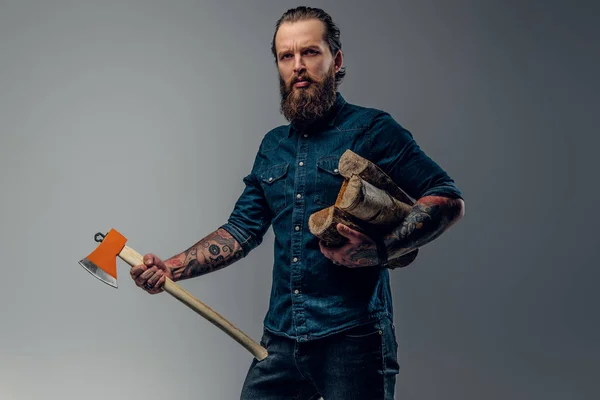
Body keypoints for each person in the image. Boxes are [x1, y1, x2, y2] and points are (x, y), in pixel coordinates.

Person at [130, 6, 465, 400]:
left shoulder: (373, 129)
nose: (298, 66)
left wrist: (379, 250)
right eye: (286, 56)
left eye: (310, 52)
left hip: (353, 340)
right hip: (280, 341)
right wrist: (169, 268)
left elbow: (446, 198)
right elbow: (241, 230)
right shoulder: (273, 146)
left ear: (336, 61)